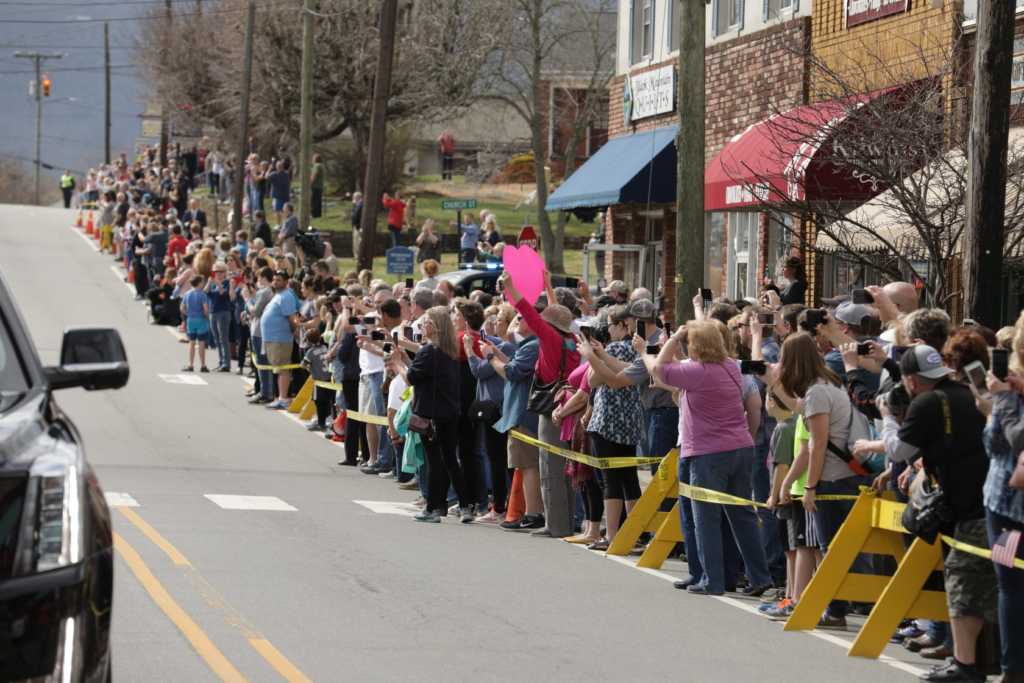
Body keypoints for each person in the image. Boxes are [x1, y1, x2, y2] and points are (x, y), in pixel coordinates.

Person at [882, 345, 994, 682]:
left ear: (913, 380)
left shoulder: (927, 403)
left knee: (962, 584)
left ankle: (966, 665)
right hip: (985, 500)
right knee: (985, 586)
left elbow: (899, 449)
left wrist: (887, 416)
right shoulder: (968, 392)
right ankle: (977, 659)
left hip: (964, 507)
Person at [655, 320, 772, 597]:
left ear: (694, 345)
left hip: (707, 452)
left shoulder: (696, 371)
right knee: (741, 514)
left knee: (705, 517)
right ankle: (759, 575)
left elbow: (659, 369)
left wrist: (673, 340)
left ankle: (713, 580)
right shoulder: (732, 366)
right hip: (740, 447)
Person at [502, 271, 580, 538]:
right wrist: (547, 286)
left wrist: (512, 288)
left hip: (550, 407)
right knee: (565, 468)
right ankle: (566, 522)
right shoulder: (572, 340)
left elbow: (531, 314)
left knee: (550, 467)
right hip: (568, 402)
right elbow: (554, 314)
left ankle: (555, 525)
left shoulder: (550, 339)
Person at [391, 306, 473, 523]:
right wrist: (407, 363)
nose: (421, 326)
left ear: (434, 326)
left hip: (430, 413)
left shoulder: (429, 351)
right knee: (450, 460)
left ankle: (433, 507)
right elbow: (423, 373)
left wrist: (398, 364)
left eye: (425, 322)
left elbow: (411, 378)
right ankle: (464, 505)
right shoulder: (450, 351)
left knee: (434, 462)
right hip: (449, 412)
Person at [980, 310, 1024, 683]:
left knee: (1010, 584)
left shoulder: (1011, 394)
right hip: (1005, 504)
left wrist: (1001, 402)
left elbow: (1003, 442)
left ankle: (1012, 667)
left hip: (1008, 508)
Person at [260, 270, 300, 410]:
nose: (275, 282)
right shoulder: (278, 295)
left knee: (283, 368)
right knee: (278, 368)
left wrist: (295, 330)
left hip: (281, 339)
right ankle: (280, 396)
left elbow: (292, 318)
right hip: (273, 338)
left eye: (279, 280)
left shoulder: (287, 296)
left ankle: (283, 398)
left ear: (286, 282)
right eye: (274, 280)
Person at [206, 262, 234, 372]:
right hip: (213, 311)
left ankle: (226, 363)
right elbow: (206, 292)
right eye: (215, 271)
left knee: (223, 338)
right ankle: (221, 361)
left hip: (223, 312)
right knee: (216, 338)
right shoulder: (213, 283)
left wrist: (218, 284)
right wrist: (209, 283)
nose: (217, 274)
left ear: (224, 273)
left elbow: (224, 294)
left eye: (220, 271)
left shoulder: (227, 282)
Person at [180, 275, 211, 372]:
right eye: (202, 282)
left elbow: (182, 308)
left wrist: (188, 314)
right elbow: (205, 309)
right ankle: (203, 365)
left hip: (191, 320)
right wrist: (207, 317)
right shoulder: (202, 295)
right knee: (201, 343)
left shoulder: (187, 294)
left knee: (191, 343)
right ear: (199, 283)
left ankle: (191, 364)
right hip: (201, 319)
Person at [268, 160, 291, 225]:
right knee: (285, 211)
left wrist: (269, 169)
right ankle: (284, 224)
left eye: (279, 166)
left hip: (278, 196)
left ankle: (279, 225)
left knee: (278, 211)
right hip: (285, 195)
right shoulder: (286, 174)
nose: (279, 167)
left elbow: (266, 177)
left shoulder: (274, 174)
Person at [310, 154, 325, 219]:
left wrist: (310, 183)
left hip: (315, 186)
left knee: (313, 200)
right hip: (320, 186)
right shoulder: (322, 165)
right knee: (318, 201)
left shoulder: (317, 166)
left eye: (313, 158)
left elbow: (315, 175)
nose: (312, 160)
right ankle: (318, 214)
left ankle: (313, 214)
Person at [350, 192, 364, 257]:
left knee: (358, 242)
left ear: (357, 197)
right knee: (355, 242)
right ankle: (356, 255)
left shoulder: (361, 205)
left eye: (354, 197)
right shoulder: (357, 205)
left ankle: (358, 256)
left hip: (359, 226)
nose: (353, 199)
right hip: (356, 226)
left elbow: (356, 216)